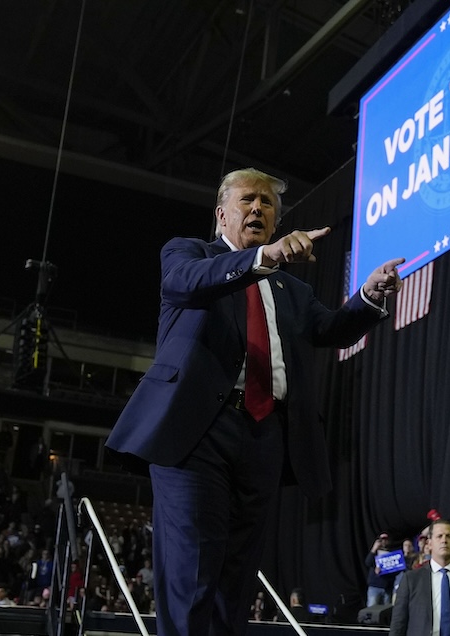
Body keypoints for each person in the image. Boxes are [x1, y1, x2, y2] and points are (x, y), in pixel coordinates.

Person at [105, 167, 403, 636]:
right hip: (197, 434)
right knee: (193, 568)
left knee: (237, 579)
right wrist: (263, 257)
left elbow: (330, 330)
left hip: (266, 436)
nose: (259, 209)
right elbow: (184, 282)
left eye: (267, 204)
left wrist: (368, 295)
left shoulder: (292, 289)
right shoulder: (190, 255)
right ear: (222, 213)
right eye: (249, 200)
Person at [390, 519, 450, 636]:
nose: (444, 540)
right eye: (439, 536)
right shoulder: (411, 580)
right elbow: (398, 625)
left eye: (449, 536)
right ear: (430, 543)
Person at [365, 533, 397, 607]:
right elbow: (368, 563)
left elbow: (396, 570)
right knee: (371, 609)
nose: (383, 541)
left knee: (385, 611)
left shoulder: (393, 553)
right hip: (375, 586)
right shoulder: (375, 553)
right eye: (381, 539)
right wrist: (374, 549)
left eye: (386, 539)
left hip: (387, 587)